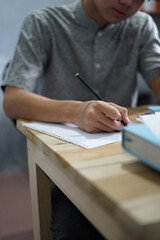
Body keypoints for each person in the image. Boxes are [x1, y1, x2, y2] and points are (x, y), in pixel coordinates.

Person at [1, 0, 160, 239]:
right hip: (60, 160)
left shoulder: (141, 25)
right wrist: (77, 112)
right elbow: (12, 101)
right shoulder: (43, 22)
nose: (128, 2)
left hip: (121, 153)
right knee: (76, 225)